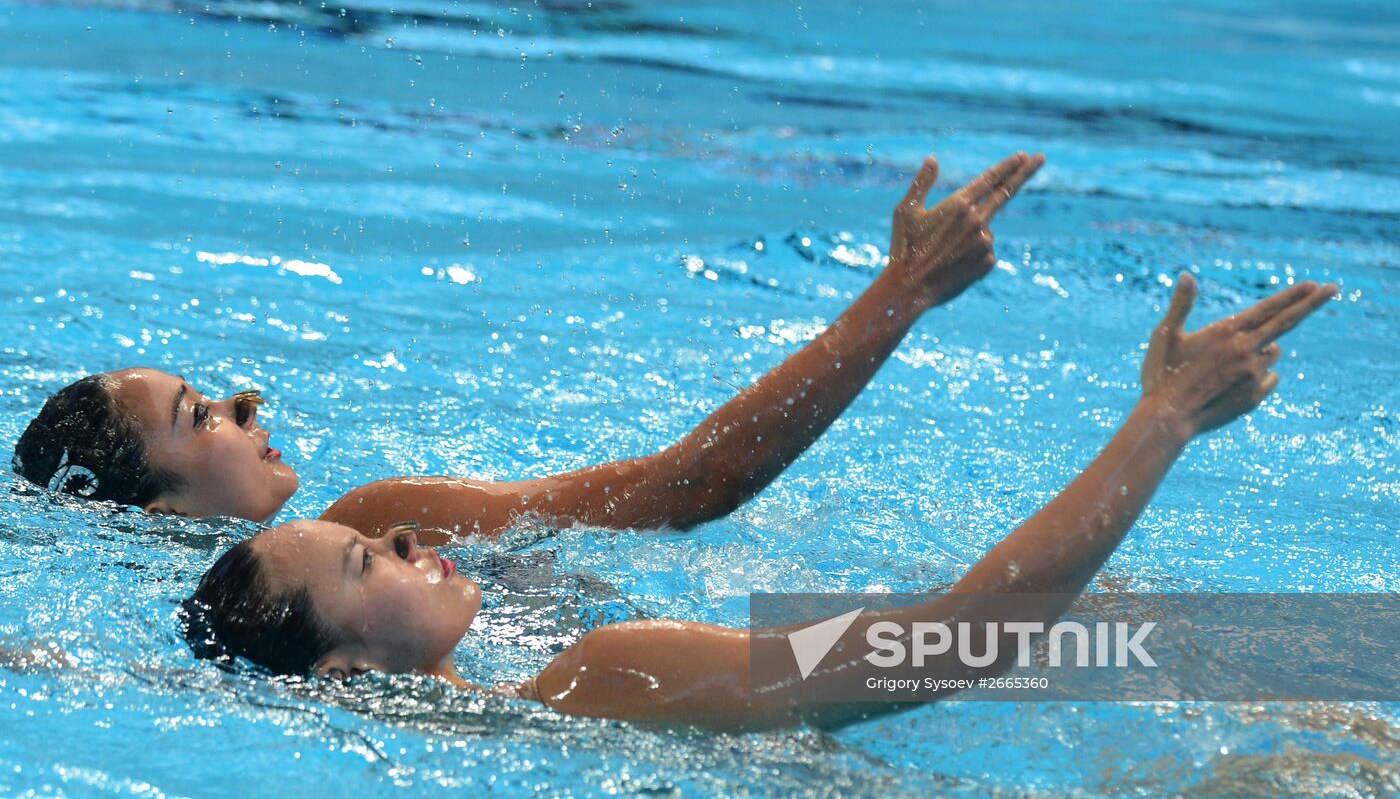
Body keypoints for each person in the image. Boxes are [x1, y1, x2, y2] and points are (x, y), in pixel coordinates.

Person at [183, 276, 1335, 730]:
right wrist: (1163, 419)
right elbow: (961, 635)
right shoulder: (603, 673)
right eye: (359, 562)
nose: (393, 528)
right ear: (347, 673)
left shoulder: (532, 716)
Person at [12, 152, 1044, 542]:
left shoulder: (212, 638)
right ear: (161, 509)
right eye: (204, 413)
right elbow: (693, 483)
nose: (246, 401)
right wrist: (895, 298)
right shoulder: (375, 528)